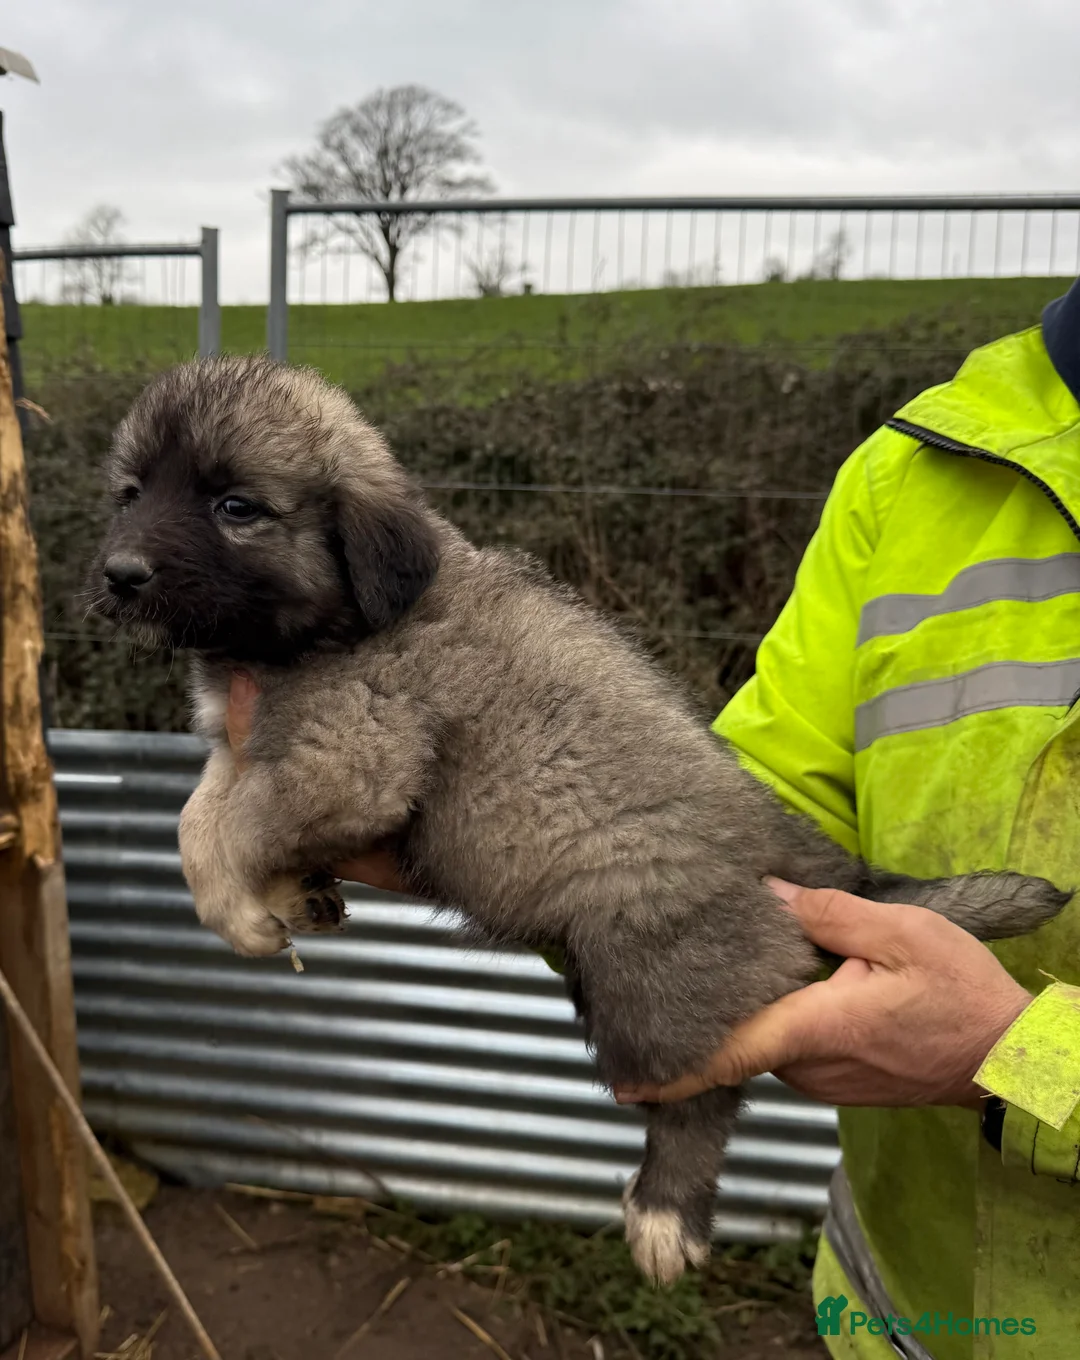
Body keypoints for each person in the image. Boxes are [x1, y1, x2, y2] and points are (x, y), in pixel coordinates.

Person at [225, 276, 1080, 1359]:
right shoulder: (922, 467)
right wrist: (526, 819)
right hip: (893, 1322)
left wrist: (1016, 1061)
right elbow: (746, 816)